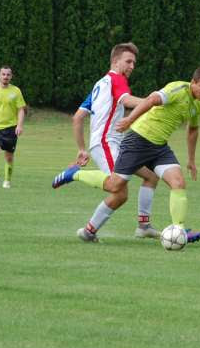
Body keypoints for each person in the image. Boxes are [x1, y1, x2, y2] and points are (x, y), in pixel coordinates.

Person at [53, 67, 200, 245]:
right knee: (115, 185)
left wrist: (191, 160)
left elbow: (193, 130)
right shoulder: (178, 89)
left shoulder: (198, 104)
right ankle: (74, 174)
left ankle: (174, 229)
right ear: (193, 82)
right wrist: (129, 120)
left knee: (177, 182)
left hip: (159, 147)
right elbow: (152, 99)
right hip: (138, 140)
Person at [67, 43, 161, 240]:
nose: (132, 66)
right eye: (128, 61)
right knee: (117, 189)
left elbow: (77, 118)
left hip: (113, 143)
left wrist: (82, 149)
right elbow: (126, 100)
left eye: (134, 63)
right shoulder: (117, 79)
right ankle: (76, 176)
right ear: (115, 61)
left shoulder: (100, 84)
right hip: (106, 143)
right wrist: (152, 101)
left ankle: (143, 227)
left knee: (151, 176)